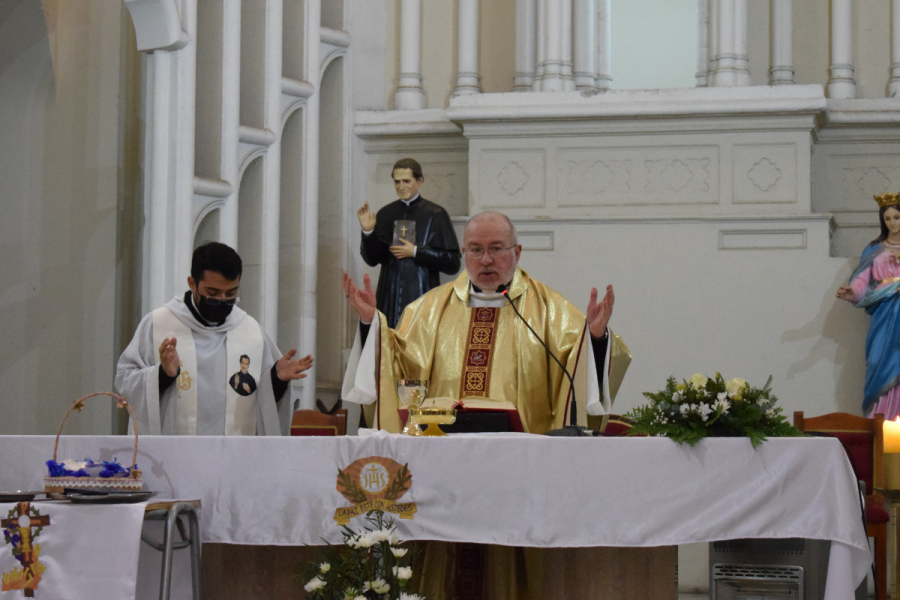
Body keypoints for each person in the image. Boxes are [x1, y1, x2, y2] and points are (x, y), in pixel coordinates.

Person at [342, 210, 630, 434]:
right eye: (476, 250)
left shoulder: (550, 310)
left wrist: (594, 338)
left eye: (496, 248)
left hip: (524, 458)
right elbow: (397, 369)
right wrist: (372, 325)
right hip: (444, 453)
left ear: (516, 253)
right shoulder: (426, 310)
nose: (486, 260)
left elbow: (578, 370)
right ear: (464, 254)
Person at [116, 242, 313, 436]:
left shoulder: (250, 330)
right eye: (212, 293)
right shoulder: (159, 324)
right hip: (174, 458)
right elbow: (125, 381)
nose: (221, 300)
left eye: (231, 294)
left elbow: (265, 405)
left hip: (234, 457)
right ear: (192, 283)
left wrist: (275, 380)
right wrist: (162, 374)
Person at [357, 158, 461, 327]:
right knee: (388, 348)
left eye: (407, 181)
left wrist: (416, 252)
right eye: (397, 182)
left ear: (420, 181)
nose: (401, 186)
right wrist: (368, 232)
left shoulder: (436, 214)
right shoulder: (385, 213)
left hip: (422, 293)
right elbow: (372, 259)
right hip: (389, 295)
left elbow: (453, 263)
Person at [837, 193, 900, 420]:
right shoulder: (874, 249)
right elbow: (863, 281)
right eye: (888, 219)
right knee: (877, 361)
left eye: (897, 217)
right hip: (885, 317)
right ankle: (880, 420)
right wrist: (852, 292)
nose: (893, 223)